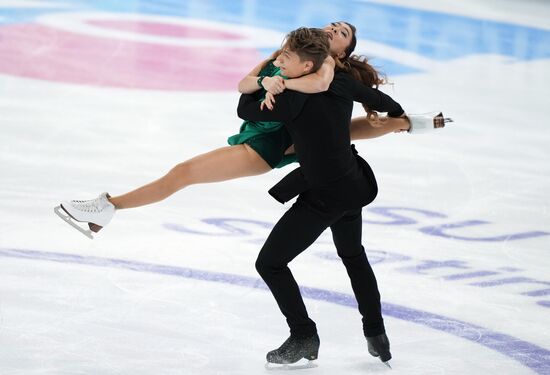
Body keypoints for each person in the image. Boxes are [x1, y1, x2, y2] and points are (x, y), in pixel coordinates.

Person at [54, 21, 413, 239]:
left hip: (269, 146)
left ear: (344, 50)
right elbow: (245, 83)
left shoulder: (329, 72)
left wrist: (283, 86)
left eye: (343, 32)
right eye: (333, 24)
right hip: (257, 131)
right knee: (183, 174)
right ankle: (105, 212)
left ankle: (107, 209)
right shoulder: (290, 53)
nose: (334, 29)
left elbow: (336, 113)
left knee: (183, 173)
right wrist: (265, 81)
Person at [236, 27, 404, 366]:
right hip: (351, 182)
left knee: (269, 263)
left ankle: (303, 335)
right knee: (353, 254)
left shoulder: (289, 101)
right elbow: (387, 103)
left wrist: (270, 83)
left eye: (287, 59)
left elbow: (244, 107)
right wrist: (387, 116)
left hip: (327, 193)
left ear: (308, 66)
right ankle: (376, 333)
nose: (279, 63)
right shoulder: (342, 83)